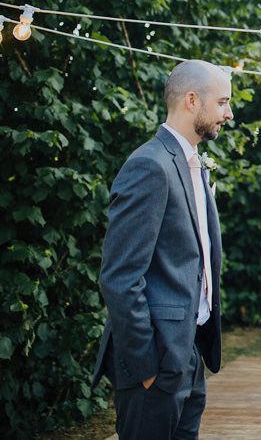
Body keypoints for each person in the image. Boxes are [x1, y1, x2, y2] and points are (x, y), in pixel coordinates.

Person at [91, 60, 233, 439]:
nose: (228, 113)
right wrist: (147, 366)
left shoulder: (192, 166)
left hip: (188, 350)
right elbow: (120, 276)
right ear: (191, 101)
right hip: (155, 357)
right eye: (222, 102)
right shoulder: (149, 165)